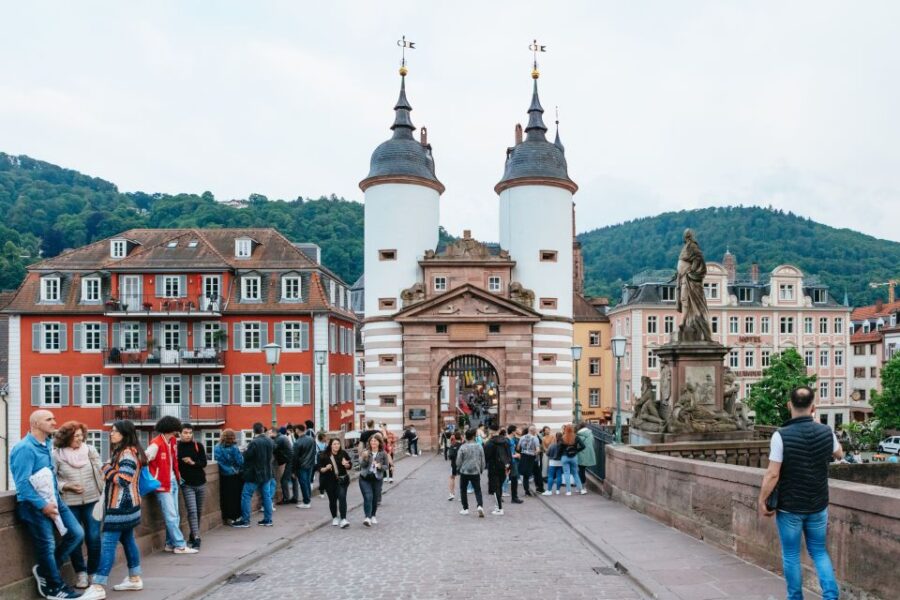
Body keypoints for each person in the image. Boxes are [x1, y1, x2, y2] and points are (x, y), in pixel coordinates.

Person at [758, 387, 842, 600]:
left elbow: (772, 474)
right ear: (813, 407)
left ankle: (795, 597)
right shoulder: (826, 431)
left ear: (789, 406)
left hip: (790, 507)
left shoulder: (780, 435)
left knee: (792, 555)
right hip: (818, 504)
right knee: (819, 552)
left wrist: (762, 500)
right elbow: (839, 454)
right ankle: (831, 596)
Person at [12, 410, 96, 600]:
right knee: (47, 545)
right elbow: (22, 484)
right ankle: (54, 587)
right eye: (48, 419)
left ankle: (44, 571)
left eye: (53, 418)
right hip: (34, 506)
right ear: (35, 423)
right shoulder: (24, 448)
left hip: (55, 500)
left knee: (76, 533)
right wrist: (43, 506)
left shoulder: (47, 444)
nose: (54, 421)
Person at [85, 420, 146, 597]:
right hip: (131, 504)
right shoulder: (128, 450)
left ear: (124, 434)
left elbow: (123, 479)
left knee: (108, 543)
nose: (111, 434)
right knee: (128, 539)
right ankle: (135, 578)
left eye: (114, 431)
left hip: (120, 506)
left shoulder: (126, 453)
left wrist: (105, 468)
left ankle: (98, 585)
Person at [53, 421, 104, 590]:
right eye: (76, 436)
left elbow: (100, 470)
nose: (80, 439)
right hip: (69, 503)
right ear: (66, 437)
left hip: (93, 500)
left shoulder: (90, 450)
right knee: (77, 537)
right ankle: (81, 573)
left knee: (94, 537)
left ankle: (93, 573)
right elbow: (52, 478)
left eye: (81, 435)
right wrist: (65, 486)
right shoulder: (57, 454)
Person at [147, 416, 197, 554]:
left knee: (175, 516)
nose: (178, 431)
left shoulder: (172, 441)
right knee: (171, 516)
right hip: (162, 484)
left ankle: (170, 544)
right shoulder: (156, 443)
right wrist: (154, 476)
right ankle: (180, 545)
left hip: (173, 481)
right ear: (171, 428)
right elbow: (145, 459)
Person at [235, 422, 275, 527]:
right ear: (263, 429)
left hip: (254, 474)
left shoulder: (254, 442)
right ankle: (268, 519)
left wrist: (243, 451)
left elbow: (247, 457)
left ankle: (245, 520)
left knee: (246, 495)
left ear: (254, 430)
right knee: (266, 496)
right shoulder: (269, 441)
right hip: (267, 473)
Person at [177, 424, 208, 550]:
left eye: (190, 433)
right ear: (180, 433)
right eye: (185, 432)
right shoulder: (176, 447)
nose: (188, 435)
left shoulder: (198, 446)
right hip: (187, 484)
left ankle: (192, 534)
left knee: (199, 511)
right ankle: (196, 537)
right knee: (192, 511)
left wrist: (192, 462)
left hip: (201, 482)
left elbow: (204, 463)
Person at [318, 438, 352, 528]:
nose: (336, 446)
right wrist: (326, 468)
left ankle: (343, 519)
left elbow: (350, 465)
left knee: (342, 497)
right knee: (332, 500)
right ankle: (335, 517)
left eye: (338, 444)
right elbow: (319, 469)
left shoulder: (343, 453)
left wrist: (347, 465)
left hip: (342, 480)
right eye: (334, 444)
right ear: (330, 445)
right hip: (330, 481)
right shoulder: (324, 455)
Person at [358, 435, 389, 526]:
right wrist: (365, 458)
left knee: (375, 498)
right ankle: (367, 517)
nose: (373, 443)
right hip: (365, 478)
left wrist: (380, 466)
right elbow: (362, 465)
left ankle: (373, 515)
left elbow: (386, 466)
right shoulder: (365, 452)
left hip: (377, 479)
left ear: (379, 442)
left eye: (375, 441)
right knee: (368, 496)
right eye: (371, 441)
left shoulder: (383, 453)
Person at [214, 429, 243, 524]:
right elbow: (240, 461)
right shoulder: (234, 447)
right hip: (235, 475)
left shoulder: (217, 447)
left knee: (226, 497)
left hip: (224, 475)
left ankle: (227, 517)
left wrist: (227, 470)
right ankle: (235, 516)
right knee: (235, 497)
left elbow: (219, 462)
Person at [456, 429, 486, 517]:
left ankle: (465, 508)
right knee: (477, 490)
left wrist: (459, 468)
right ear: (473, 436)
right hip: (475, 471)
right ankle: (479, 505)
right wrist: (481, 469)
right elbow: (482, 460)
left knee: (463, 490)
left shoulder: (463, 447)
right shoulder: (479, 446)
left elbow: (458, 461)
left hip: (464, 471)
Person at [484, 424, 511, 515]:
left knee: (496, 488)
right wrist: (509, 466)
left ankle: (499, 508)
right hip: (504, 467)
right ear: (498, 430)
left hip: (493, 467)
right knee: (499, 486)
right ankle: (498, 506)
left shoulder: (489, 443)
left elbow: (486, 457)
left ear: (490, 431)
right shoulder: (506, 441)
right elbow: (509, 454)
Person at [291, 423, 316, 508]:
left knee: (303, 483)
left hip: (302, 465)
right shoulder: (311, 439)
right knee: (307, 483)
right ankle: (308, 499)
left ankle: (306, 502)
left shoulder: (297, 442)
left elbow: (295, 458)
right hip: (310, 464)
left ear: (297, 430)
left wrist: (293, 470)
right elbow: (314, 452)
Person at [559, 424, 586, 495]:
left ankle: (568, 491)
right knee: (575, 473)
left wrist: (560, 455)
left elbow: (560, 448)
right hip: (574, 457)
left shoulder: (563, 437)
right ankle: (581, 489)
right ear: (573, 429)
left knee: (566, 473)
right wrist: (577, 450)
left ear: (565, 430)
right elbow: (583, 446)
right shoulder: (576, 437)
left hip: (565, 457)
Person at [270, 426, 294, 505]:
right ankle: (292, 498)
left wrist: (269, 438)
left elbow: (272, 447)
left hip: (289, 461)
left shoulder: (279, 439)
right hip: (290, 460)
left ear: (274, 432)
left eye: (270, 432)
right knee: (292, 480)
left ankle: (286, 499)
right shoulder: (281, 437)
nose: (269, 434)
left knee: (284, 480)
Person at [517, 425, 542, 497]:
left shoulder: (522, 437)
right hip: (532, 457)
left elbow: (518, 447)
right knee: (537, 473)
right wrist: (536, 453)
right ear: (533, 431)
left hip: (524, 456)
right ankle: (539, 488)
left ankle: (526, 491)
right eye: (535, 430)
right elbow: (537, 450)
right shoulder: (535, 438)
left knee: (525, 475)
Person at [505, 425, 523, 504]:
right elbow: (505, 453)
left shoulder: (512, 439)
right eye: (516, 430)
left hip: (513, 462)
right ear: (513, 431)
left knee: (514, 479)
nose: (517, 431)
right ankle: (513, 497)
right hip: (510, 462)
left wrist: (516, 453)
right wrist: (515, 455)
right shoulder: (507, 440)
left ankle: (514, 497)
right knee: (505, 479)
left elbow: (512, 451)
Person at [576, 421, 597, 488]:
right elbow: (593, 443)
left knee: (581, 470)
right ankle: (582, 486)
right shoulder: (590, 434)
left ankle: (582, 486)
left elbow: (577, 445)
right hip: (589, 454)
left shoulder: (579, 435)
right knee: (583, 470)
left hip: (581, 454)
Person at [447, 432, 463, 501]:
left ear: (454, 438)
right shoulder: (463, 445)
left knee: (452, 477)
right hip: (462, 464)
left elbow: (450, 456)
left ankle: (451, 494)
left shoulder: (452, 445)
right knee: (461, 479)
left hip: (454, 464)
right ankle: (461, 495)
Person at [315, 432, 328, 498]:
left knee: (322, 476)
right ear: (322, 437)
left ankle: (322, 491)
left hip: (320, 460)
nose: (326, 438)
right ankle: (322, 491)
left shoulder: (316, 444)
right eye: (325, 437)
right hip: (323, 461)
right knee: (323, 476)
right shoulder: (325, 444)